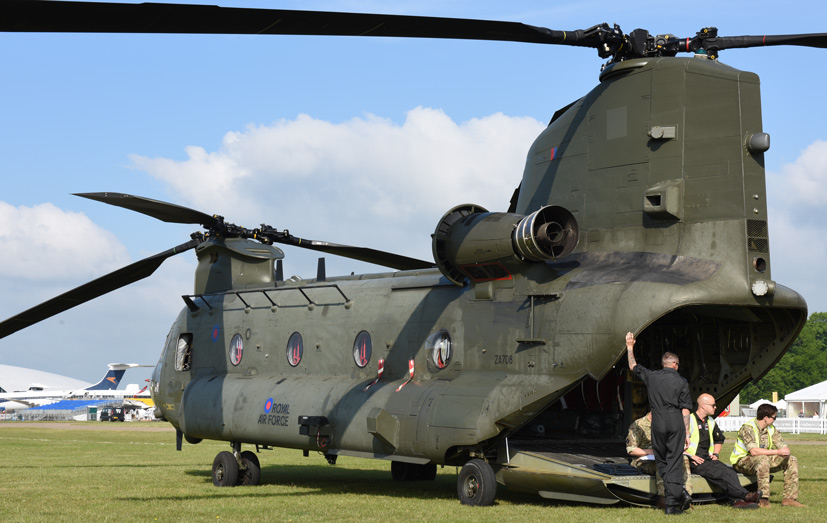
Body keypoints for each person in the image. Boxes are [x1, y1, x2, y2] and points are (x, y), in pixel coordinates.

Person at [626, 332, 692, 515]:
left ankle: (674, 501)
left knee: (662, 462)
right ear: (675, 365)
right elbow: (685, 410)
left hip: (658, 423)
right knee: (674, 461)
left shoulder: (652, 376)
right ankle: (676, 498)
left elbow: (633, 366)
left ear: (663, 364)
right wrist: (687, 433)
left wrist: (630, 347)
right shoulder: (681, 382)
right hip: (675, 421)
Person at [686, 394, 761, 508]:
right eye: (713, 405)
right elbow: (676, 444)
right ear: (703, 406)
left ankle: (737, 500)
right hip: (694, 461)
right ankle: (745, 496)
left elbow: (719, 439)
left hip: (707, 459)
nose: (715, 407)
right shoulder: (688, 420)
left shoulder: (710, 421)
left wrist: (715, 453)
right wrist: (691, 456)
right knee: (721, 474)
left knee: (730, 472)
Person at [730, 403, 805, 508]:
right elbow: (754, 451)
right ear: (766, 418)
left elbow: (783, 447)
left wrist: (784, 451)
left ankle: (789, 499)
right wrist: (778, 452)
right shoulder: (748, 428)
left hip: (761, 460)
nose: (775, 420)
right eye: (774, 418)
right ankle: (763, 499)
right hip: (742, 462)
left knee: (791, 460)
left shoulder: (771, 428)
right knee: (763, 459)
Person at [626, 411, 691, 509]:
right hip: (643, 461)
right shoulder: (638, 425)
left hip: (663, 456)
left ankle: (685, 495)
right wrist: (650, 451)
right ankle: (663, 498)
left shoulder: (665, 424)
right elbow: (631, 450)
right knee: (660, 462)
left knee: (683, 459)